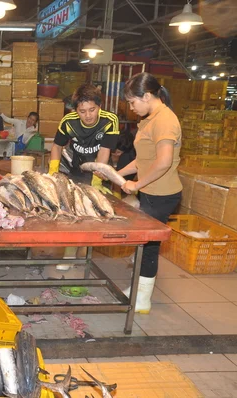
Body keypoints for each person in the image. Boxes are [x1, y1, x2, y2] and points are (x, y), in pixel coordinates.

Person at [116, 72, 182, 314]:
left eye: (133, 102)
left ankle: (142, 299)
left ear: (147, 96)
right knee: (144, 243)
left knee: (148, 246)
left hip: (162, 194)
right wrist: (118, 173)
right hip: (150, 190)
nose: (131, 108)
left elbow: (163, 162)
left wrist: (137, 184)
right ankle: (139, 292)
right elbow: (142, 159)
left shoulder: (165, 120)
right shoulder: (150, 119)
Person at [48, 84, 120, 271]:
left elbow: (105, 151)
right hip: (73, 167)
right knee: (72, 210)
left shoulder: (109, 121)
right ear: (75, 110)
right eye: (82, 111)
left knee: (92, 212)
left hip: (98, 166)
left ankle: (86, 253)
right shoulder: (68, 121)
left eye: (92, 110)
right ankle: (69, 255)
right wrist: (52, 172)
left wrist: (96, 181)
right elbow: (57, 147)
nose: (88, 115)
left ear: (99, 106)